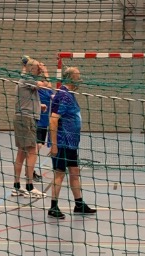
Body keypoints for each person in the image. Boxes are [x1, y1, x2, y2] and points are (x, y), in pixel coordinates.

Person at [48, 67, 97, 219]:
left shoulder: (69, 94)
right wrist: (54, 145)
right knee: (60, 174)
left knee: (74, 172)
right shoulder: (63, 95)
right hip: (62, 143)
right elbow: (53, 119)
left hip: (71, 144)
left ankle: (79, 204)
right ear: (70, 78)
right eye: (77, 76)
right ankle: (53, 207)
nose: (79, 79)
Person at [12, 57, 51, 198]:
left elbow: (25, 99)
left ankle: (17, 186)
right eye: (36, 68)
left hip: (24, 117)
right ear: (30, 69)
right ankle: (29, 186)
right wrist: (45, 71)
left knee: (21, 152)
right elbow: (47, 85)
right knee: (32, 151)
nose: (38, 70)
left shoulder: (25, 80)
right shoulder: (27, 79)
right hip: (26, 119)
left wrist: (39, 106)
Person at [33, 87, 54, 182]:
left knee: (38, 146)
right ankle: (30, 171)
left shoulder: (48, 91)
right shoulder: (37, 90)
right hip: (37, 123)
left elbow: (53, 95)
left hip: (44, 124)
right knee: (36, 148)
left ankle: (29, 170)